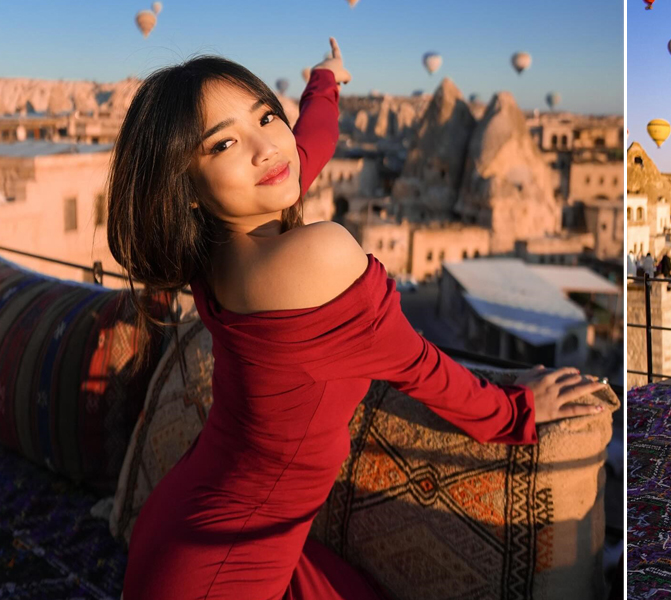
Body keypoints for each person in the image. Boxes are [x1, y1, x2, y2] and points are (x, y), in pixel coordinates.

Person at [108, 39, 609, 599]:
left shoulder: (209, 252)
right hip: (221, 569)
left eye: (266, 116)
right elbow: (419, 366)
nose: (266, 147)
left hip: (196, 519)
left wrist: (324, 84)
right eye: (222, 142)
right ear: (189, 188)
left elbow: (306, 149)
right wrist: (517, 410)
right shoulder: (320, 255)